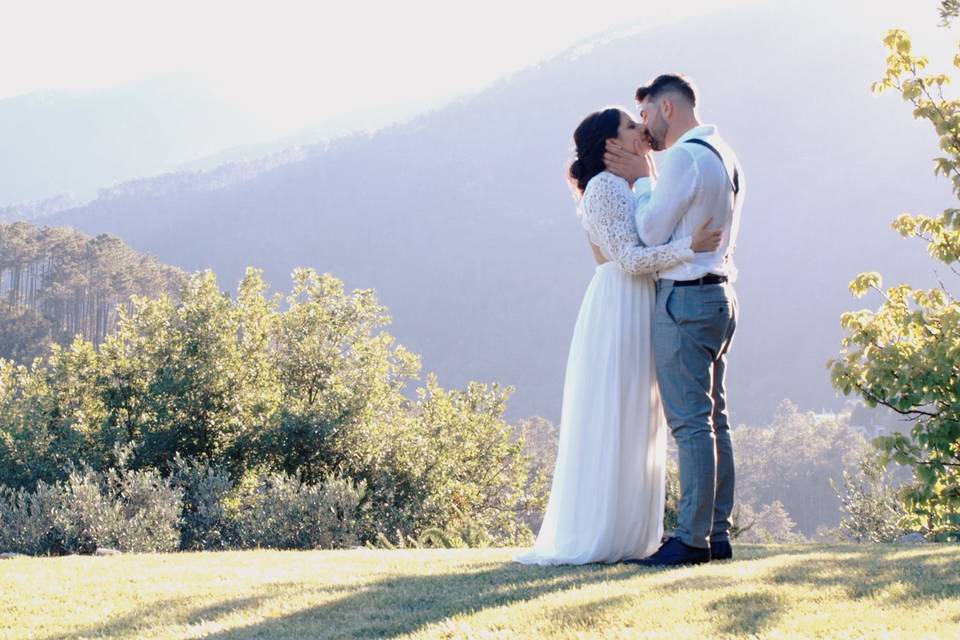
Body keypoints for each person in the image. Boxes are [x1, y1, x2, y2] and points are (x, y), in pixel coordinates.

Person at [514, 107, 721, 565]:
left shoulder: (620, 186)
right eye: (630, 126)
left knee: (633, 416)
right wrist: (691, 247)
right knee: (617, 412)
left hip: (635, 301)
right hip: (620, 303)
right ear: (610, 143)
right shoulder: (606, 188)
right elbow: (628, 258)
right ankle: (605, 533)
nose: (640, 131)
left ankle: (628, 533)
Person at [604, 74, 744, 566]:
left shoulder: (683, 155)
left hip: (685, 300)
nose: (645, 131)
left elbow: (647, 231)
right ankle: (717, 532)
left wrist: (643, 178)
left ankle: (691, 540)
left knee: (690, 425)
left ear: (666, 107)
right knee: (714, 421)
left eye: (644, 116)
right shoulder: (723, 151)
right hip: (721, 293)